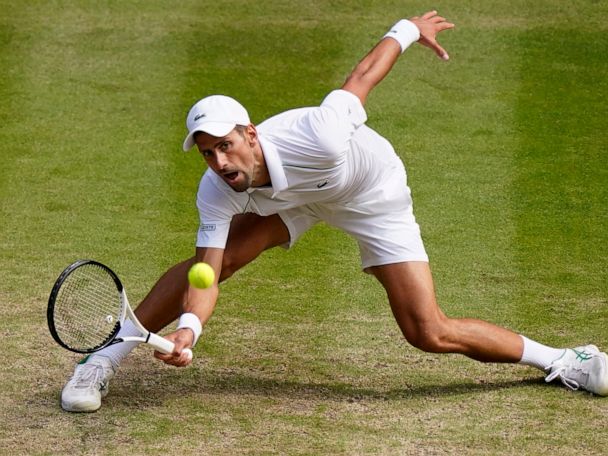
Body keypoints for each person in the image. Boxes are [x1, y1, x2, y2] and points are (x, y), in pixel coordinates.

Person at [60, 11, 607, 412]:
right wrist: (189, 330)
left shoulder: (317, 135)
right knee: (221, 261)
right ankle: (102, 358)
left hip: (371, 192)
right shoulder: (216, 189)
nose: (218, 160)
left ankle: (565, 360)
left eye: (226, 145)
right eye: (206, 151)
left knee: (427, 330)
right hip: (294, 201)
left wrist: (410, 29)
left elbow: (364, 76)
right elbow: (206, 270)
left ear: (251, 133)